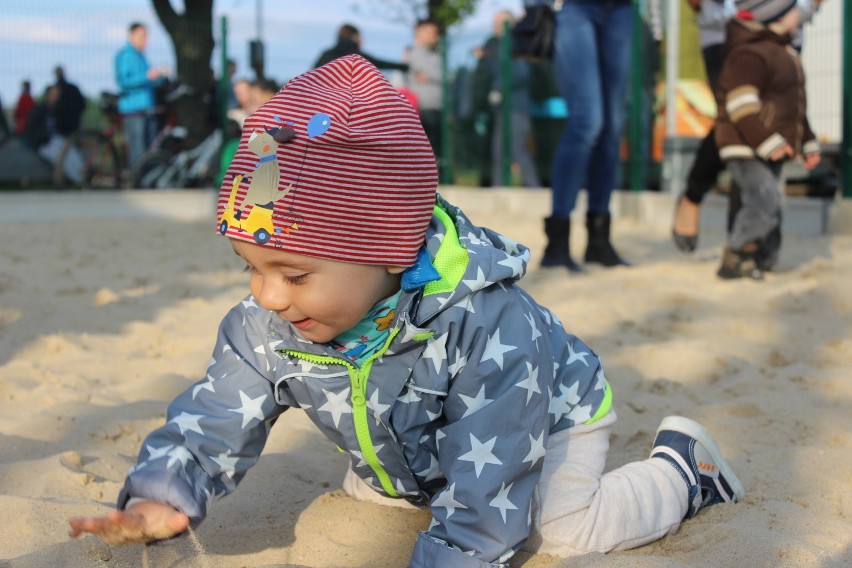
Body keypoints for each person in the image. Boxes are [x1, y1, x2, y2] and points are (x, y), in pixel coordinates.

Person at [67, 55, 744, 566]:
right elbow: (214, 415)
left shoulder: (486, 330)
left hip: (552, 415)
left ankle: (683, 472)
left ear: (389, 251)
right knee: (385, 499)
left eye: (293, 272)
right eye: (251, 267)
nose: (266, 295)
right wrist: (163, 492)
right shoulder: (270, 321)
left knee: (564, 530)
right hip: (414, 438)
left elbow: (488, 496)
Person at [672, 0, 825, 254]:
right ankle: (703, 205)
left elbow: (793, 110)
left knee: (778, 118)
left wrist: (803, 11)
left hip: (786, 22)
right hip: (727, 26)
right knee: (735, 122)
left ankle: (757, 246)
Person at [714, 0, 820, 279]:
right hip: (744, 146)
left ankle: (764, 258)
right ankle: (735, 254)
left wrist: (806, 141)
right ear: (778, 16)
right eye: (794, 7)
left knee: (774, 202)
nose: (800, 11)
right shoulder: (750, 54)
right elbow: (741, 106)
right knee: (764, 198)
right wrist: (767, 141)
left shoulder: (785, 53)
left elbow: (793, 109)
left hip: (770, 144)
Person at [541, 0, 634, 273]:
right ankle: (557, 242)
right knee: (587, 119)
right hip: (573, 6)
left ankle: (599, 240)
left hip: (620, 8)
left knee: (612, 127)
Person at [483, 10, 542, 188]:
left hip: (516, 108)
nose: (496, 27)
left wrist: (499, 87)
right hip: (503, 109)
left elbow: (521, 72)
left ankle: (534, 189)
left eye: (501, 23)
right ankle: (498, 187)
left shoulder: (516, 44)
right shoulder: (497, 46)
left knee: (518, 151)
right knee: (499, 151)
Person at [115, 22, 167, 166]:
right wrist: (147, 77)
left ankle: (147, 181)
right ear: (131, 36)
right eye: (142, 36)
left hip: (148, 108)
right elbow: (124, 81)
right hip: (133, 110)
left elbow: (150, 80)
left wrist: (160, 76)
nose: (145, 40)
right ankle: (137, 182)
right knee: (137, 149)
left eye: (146, 36)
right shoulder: (125, 55)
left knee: (149, 149)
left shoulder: (142, 56)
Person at [407, 19, 443, 161]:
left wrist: (429, 77)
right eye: (431, 32)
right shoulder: (416, 54)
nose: (435, 36)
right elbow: (443, 75)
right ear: (419, 32)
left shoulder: (433, 54)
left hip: (434, 106)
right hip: (425, 107)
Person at [313, 23, 408, 72]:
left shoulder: (326, 54)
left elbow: (311, 76)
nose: (362, 40)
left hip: (325, 103)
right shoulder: (356, 57)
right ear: (354, 37)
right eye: (359, 37)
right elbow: (380, 63)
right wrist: (404, 67)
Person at [52, 66, 86, 138]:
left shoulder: (54, 89)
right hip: (74, 126)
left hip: (58, 128)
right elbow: (82, 105)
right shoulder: (73, 88)